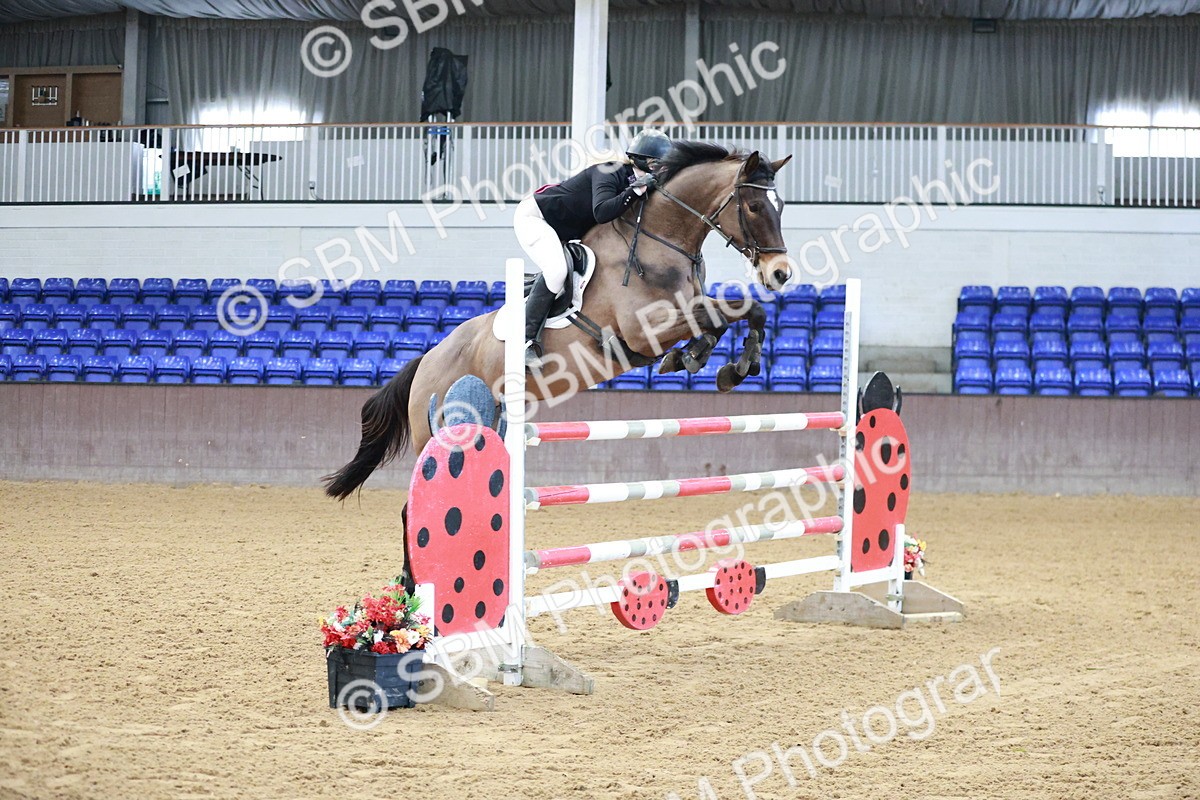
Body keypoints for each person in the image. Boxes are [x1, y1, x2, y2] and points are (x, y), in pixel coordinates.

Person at [513, 129, 672, 369]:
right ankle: (524, 342)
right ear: (643, 160)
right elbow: (602, 211)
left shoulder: (642, 183)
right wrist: (636, 190)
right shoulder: (608, 171)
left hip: (566, 231)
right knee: (556, 272)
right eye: (658, 164)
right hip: (536, 218)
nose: (662, 170)